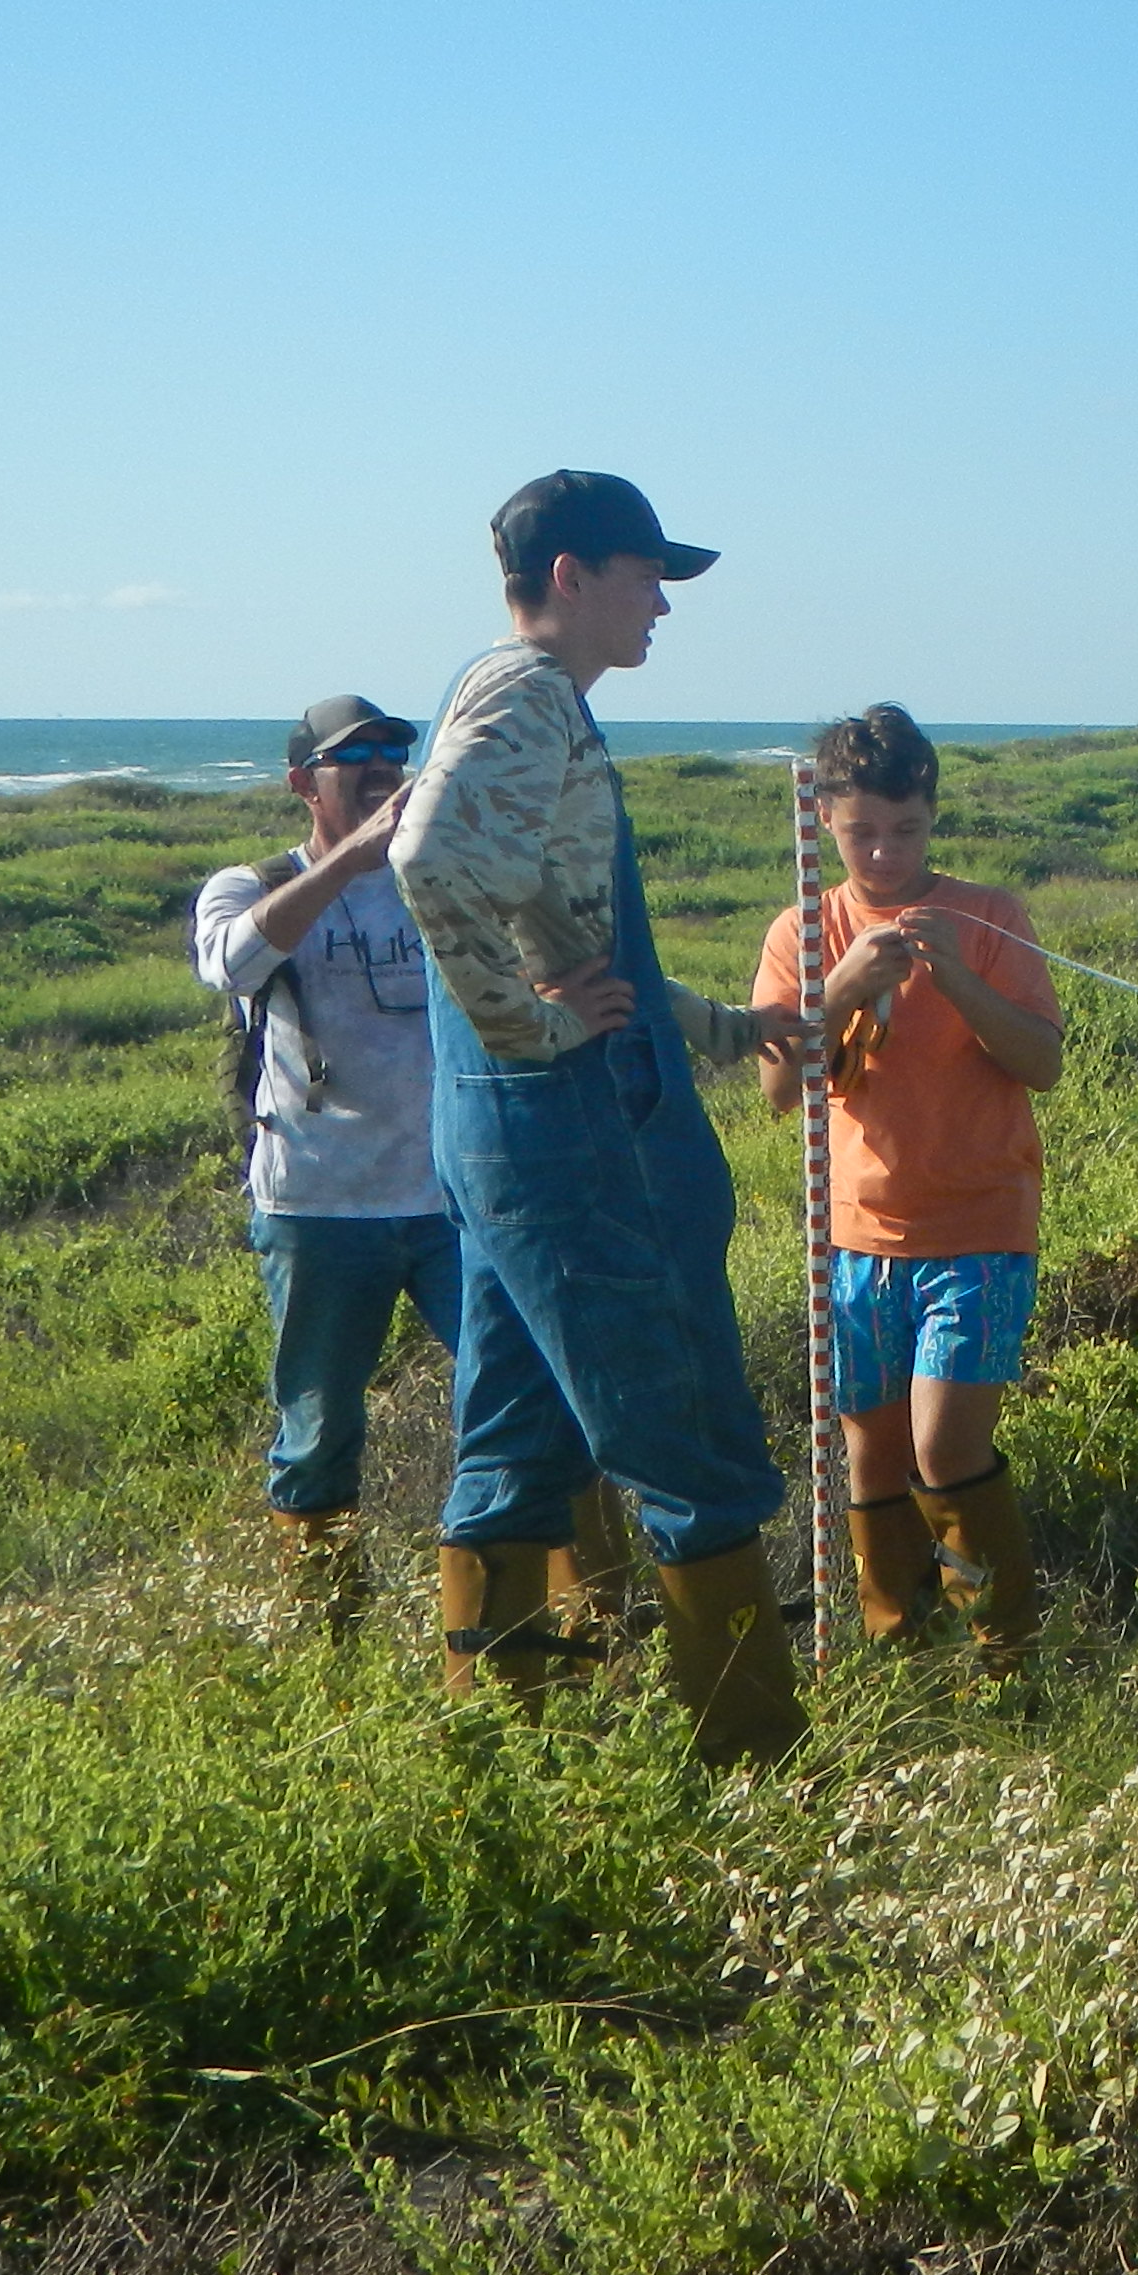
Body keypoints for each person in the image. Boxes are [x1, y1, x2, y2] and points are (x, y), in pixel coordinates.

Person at [390, 470, 809, 1764]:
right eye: (646, 578)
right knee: (686, 1438)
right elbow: (429, 858)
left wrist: (724, 1030)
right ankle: (752, 1774)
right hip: (570, 1136)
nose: (663, 608)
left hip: (509, 1139)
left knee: (514, 1443)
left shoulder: (501, 696)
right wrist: (533, 1027)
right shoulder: (527, 695)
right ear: (568, 576)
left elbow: (568, 935)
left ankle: (504, 1758)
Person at [754, 706, 1066, 1671]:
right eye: (861, 834)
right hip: (854, 1234)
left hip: (977, 1225)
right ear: (826, 826)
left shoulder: (990, 917)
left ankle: (1002, 1657)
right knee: (872, 1455)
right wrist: (838, 987)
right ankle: (901, 1654)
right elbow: (774, 1089)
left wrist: (958, 980)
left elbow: (1043, 1063)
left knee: (944, 1449)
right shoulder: (804, 928)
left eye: (906, 830)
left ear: (933, 815)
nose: (884, 854)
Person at [190, 692, 455, 1613]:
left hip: (449, 1201)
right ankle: (325, 1626)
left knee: (526, 1393)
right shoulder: (249, 882)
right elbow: (227, 963)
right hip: (318, 1204)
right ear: (305, 783)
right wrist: (351, 859)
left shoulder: (440, 877)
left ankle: (567, 1616)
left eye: (397, 749)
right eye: (358, 756)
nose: (385, 765)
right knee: (319, 1428)